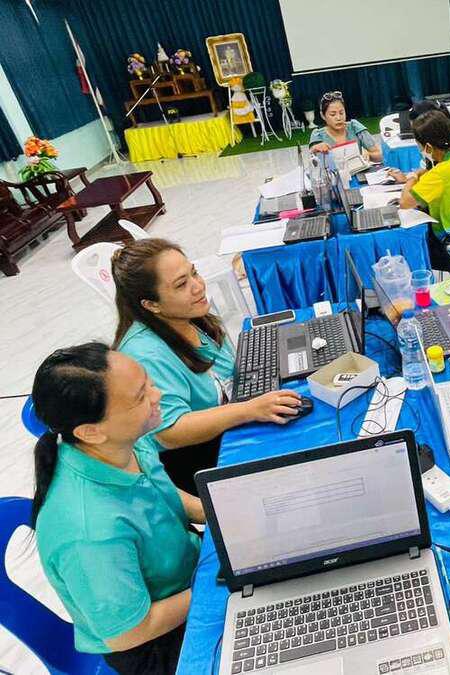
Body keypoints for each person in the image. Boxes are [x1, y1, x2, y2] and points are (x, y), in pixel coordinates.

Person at [31, 343, 204, 674]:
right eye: (141, 397)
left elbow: (159, 493)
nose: (157, 395)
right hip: (155, 643)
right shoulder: (90, 532)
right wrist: (212, 587)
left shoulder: (122, 441)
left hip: (189, 577)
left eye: (148, 383)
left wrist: (217, 511)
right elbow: (130, 633)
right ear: (91, 432)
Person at [111, 239, 302, 493]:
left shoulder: (188, 317)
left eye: (194, 273)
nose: (198, 286)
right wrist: (249, 410)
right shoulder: (146, 354)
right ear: (151, 304)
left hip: (225, 425)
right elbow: (170, 432)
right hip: (194, 460)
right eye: (181, 284)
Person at [392, 110, 450, 272]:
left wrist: (411, 177)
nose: (419, 149)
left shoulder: (440, 173)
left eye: (419, 145)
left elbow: (405, 203)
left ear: (428, 147)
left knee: (405, 249)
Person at [309, 90, 383, 163]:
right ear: (323, 115)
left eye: (341, 113)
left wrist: (369, 155)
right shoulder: (318, 135)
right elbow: (314, 161)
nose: (338, 118)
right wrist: (315, 149)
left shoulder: (354, 127)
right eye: (333, 114)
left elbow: (380, 155)